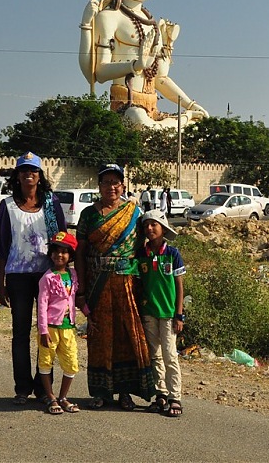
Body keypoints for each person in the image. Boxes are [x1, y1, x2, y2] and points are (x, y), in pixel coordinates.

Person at [78, 0, 208, 129]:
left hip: (152, 106)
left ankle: (185, 119)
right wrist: (135, 64)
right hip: (126, 107)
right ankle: (182, 121)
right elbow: (98, 73)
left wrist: (190, 104)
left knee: (200, 129)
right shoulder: (109, 17)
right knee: (141, 122)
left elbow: (160, 79)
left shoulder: (153, 25)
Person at [74, 163, 154, 410]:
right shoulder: (88, 215)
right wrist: (81, 289)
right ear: (99, 186)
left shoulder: (133, 213)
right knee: (99, 336)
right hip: (98, 285)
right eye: (106, 182)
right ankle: (101, 392)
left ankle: (126, 393)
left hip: (128, 284)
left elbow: (142, 250)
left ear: (123, 186)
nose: (112, 187)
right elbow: (80, 253)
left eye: (116, 182)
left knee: (127, 335)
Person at [0, 152, 68, 406]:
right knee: (21, 332)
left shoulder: (51, 203)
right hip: (18, 277)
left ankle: (43, 386)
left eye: (33, 171)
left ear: (40, 175)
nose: (29, 175)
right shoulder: (8, 206)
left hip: (47, 277)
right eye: (24, 171)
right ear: (17, 176)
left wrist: (64, 277)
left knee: (48, 331)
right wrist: (0, 283)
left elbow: (62, 240)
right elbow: (1, 247)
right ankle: (22, 387)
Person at [136, 209, 185, 417]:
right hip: (149, 312)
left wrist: (179, 314)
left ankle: (175, 396)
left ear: (163, 229)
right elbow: (138, 283)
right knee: (154, 355)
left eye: (154, 224)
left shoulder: (172, 254)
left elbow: (179, 286)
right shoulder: (141, 254)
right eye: (146, 225)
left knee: (170, 354)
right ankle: (161, 394)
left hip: (168, 313)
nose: (149, 228)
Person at [37, 231, 82, 415]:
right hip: (50, 328)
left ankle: (63, 396)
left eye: (64, 252)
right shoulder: (47, 278)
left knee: (71, 363)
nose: (59, 255)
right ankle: (51, 397)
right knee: (46, 362)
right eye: (56, 251)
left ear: (70, 255)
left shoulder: (73, 274)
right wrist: (43, 330)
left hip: (68, 328)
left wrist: (87, 313)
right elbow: (41, 304)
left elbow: (75, 299)